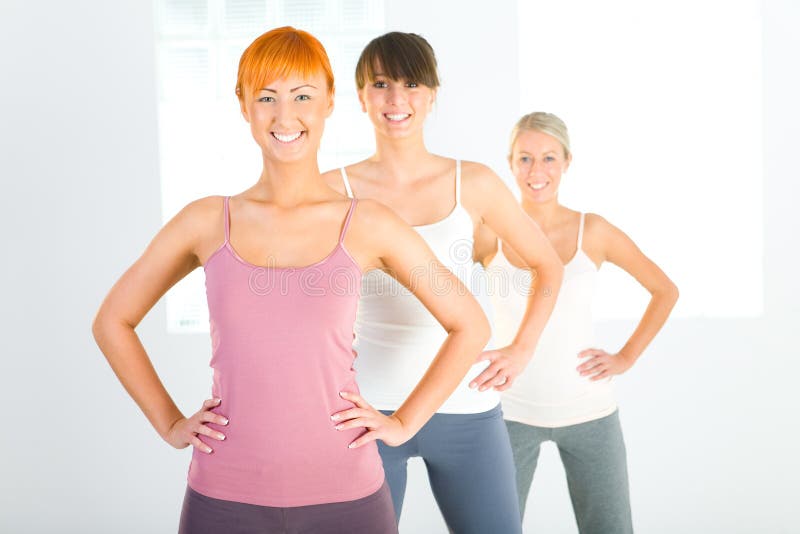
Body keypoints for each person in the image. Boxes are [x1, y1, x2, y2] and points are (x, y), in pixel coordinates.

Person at [92, 26, 492, 534]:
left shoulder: (368, 222)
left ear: (328, 102)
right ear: (243, 105)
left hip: (348, 495)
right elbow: (112, 320)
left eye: (303, 96)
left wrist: (403, 423)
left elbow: (470, 325)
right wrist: (170, 423)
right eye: (267, 97)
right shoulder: (206, 221)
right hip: (223, 496)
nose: (285, 116)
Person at [321, 32, 563, 533]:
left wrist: (522, 349)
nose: (396, 99)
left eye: (411, 84)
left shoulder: (472, 182)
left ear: (432, 93)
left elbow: (547, 264)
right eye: (381, 84)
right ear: (361, 96)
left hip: (467, 407)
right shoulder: (330, 191)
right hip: (367, 408)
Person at [489, 112, 679, 533]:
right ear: (510, 162)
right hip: (510, 414)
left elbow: (664, 290)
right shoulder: (489, 233)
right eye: (525, 158)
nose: (537, 171)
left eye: (549, 158)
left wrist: (626, 356)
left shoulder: (591, 231)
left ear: (567, 162)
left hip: (590, 413)